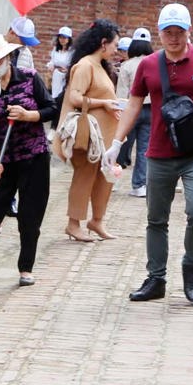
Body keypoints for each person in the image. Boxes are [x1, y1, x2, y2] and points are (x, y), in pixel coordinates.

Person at [102, 3, 193, 304]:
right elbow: (134, 103)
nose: (174, 38)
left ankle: (191, 266)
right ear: (160, 33)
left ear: (189, 32)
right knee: (156, 218)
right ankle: (156, 278)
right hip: (159, 152)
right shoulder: (149, 64)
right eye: (168, 32)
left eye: (179, 32)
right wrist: (117, 141)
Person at [0, 32, 57, 287]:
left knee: (30, 217)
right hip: (5, 162)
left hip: (35, 157)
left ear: (6, 57)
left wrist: (29, 115)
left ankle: (25, 268)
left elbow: (52, 107)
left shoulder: (29, 79)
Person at [56, 19, 122, 242]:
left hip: (105, 136)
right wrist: (102, 103)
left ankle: (97, 221)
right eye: (114, 45)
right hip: (89, 135)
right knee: (84, 176)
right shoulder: (85, 65)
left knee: (105, 177)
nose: (116, 50)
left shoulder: (101, 66)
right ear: (103, 43)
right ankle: (73, 224)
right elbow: (74, 96)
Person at [116, 29, 154, 198]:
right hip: (151, 110)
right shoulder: (156, 64)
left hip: (131, 109)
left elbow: (121, 94)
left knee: (122, 144)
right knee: (144, 149)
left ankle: (113, 180)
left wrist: (118, 114)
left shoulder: (127, 65)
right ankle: (139, 185)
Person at [46, 26, 74, 129]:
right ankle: (53, 126)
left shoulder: (71, 52)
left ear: (69, 39)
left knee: (61, 101)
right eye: (61, 37)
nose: (63, 40)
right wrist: (51, 66)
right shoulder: (55, 50)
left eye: (65, 38)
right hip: (56, 77)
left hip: (65, 78)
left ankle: (57, 125)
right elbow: (52, 61)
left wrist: (67, 71)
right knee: (54, 99)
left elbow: (72, 65)